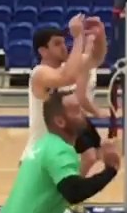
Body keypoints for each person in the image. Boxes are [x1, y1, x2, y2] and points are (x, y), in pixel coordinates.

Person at [26, 14, 109, 174]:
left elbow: (97, 58)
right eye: (57, 44)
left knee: (68, 191)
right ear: (43, 51)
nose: (64, 47)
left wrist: (100, 35)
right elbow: (67, 77)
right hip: (39, 153)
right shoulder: (39, 73)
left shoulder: (67, 67)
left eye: (64, 42)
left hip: (59, 152)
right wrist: (78, 38)